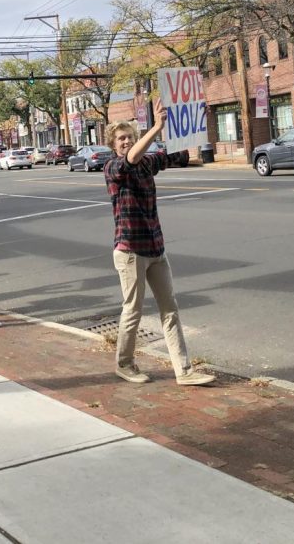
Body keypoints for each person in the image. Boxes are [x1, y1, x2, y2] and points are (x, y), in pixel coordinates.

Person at [103, 98, 214, 387]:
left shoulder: (147, 163)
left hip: (155, 247)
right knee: (133, 310)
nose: (126, 141)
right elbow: (130, 160)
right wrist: (157, 126)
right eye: (121, 139)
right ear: (114, 145)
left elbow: (179, 156)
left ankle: (184, 370)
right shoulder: (114, 168)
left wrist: (194, 125)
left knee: (170, 308)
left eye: (129, 137)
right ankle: (124, 364)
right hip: (130, 250)